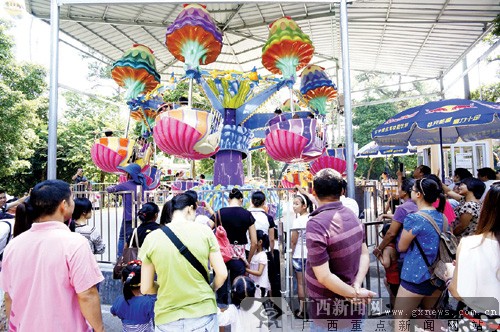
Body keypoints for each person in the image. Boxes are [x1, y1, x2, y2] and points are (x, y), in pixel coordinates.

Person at [1, 180, 104, 331]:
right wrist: (100, 329)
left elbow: (9, 296)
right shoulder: (75, 243)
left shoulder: (14, 245)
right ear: (64, 205)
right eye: (72, 199)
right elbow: (87, 294)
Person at [140, 194, 227, 331]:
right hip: (203, 314)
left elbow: (145, 288)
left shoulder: (152, 238)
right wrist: (211, 288)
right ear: (189, 209)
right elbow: (222, 273)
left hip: (167, 318)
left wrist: (164, 287)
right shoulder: (205, 231)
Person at [305, 168, 375, 331]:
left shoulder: (316, 224)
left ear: (313, 191)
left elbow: (323, 276)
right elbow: (364, 254)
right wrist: (356, 286)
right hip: (354, 310)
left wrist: (354, 293)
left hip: (328, 314)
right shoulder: (351, 214)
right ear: (342, 190)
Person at [394, 178, 446, 330]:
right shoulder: (441, 216)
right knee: (427, 317)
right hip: (437, 275)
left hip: (415, 275)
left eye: (413, 189)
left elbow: (402, 247)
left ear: (418, 194)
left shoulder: (414, 218)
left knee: (401, 319)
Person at [449, 183, 500, 330]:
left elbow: (457, 291)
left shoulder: (470, 244)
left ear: (486, 209)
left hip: (480, 321)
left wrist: (452, 274)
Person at [212, 188, 257, 305]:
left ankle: (222, 313)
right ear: (241, 200)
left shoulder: (219, 213)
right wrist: (248, 260)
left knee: (221, 287)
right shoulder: (247, 214)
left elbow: (207, 228)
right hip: (239, 257)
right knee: (239, 288)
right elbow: (254, 242)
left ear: (228, 199)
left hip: (221, 256)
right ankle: (237, 313)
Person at [374, 178, 416, 272]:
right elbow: (403, 218)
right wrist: (385, 215)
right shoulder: (418, 205)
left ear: (405, 192)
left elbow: (391, 233)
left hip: (406, 254)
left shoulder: (402, 208)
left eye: (399, 188)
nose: (398, 190)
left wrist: (379, 248)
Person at [106, 163, 147, 258]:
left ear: (130, 174)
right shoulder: (143, 185)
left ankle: (120, 258)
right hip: (142, 216)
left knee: (123, 237)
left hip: (129, 217)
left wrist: (112, 187)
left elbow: (110, 189)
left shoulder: (125, 185)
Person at [111, 261, 156, 332]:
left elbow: (114, 313)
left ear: (123, 280)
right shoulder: (149, 302)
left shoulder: (119, 300)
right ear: (144, 280)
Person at [290, 192, 313, 319]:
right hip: (312, 254)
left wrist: (290, 254)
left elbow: (293, 241)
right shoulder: (313, 218)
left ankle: (303, 310)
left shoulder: (298, 221)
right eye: (293, 204)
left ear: (304, 206)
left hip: (299, 254)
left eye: (297, 204)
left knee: (301, 284)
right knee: (311, 283)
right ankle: (312, 310)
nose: (294, 206)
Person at [377, 224, 400, 309]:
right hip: (398, 274)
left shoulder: (387, 248)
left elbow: (386, 263)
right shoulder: (397, 244)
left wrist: (378, 256)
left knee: (394, 296)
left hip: (393, 277)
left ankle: (395, 313)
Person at [245, 230, 270, 298]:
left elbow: (259, 272)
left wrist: (246, 270)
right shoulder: (255, 254)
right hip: (254, 284)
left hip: (260, 286)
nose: (251, 243)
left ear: (260, 242)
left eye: (253, 241)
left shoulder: (262, 255)